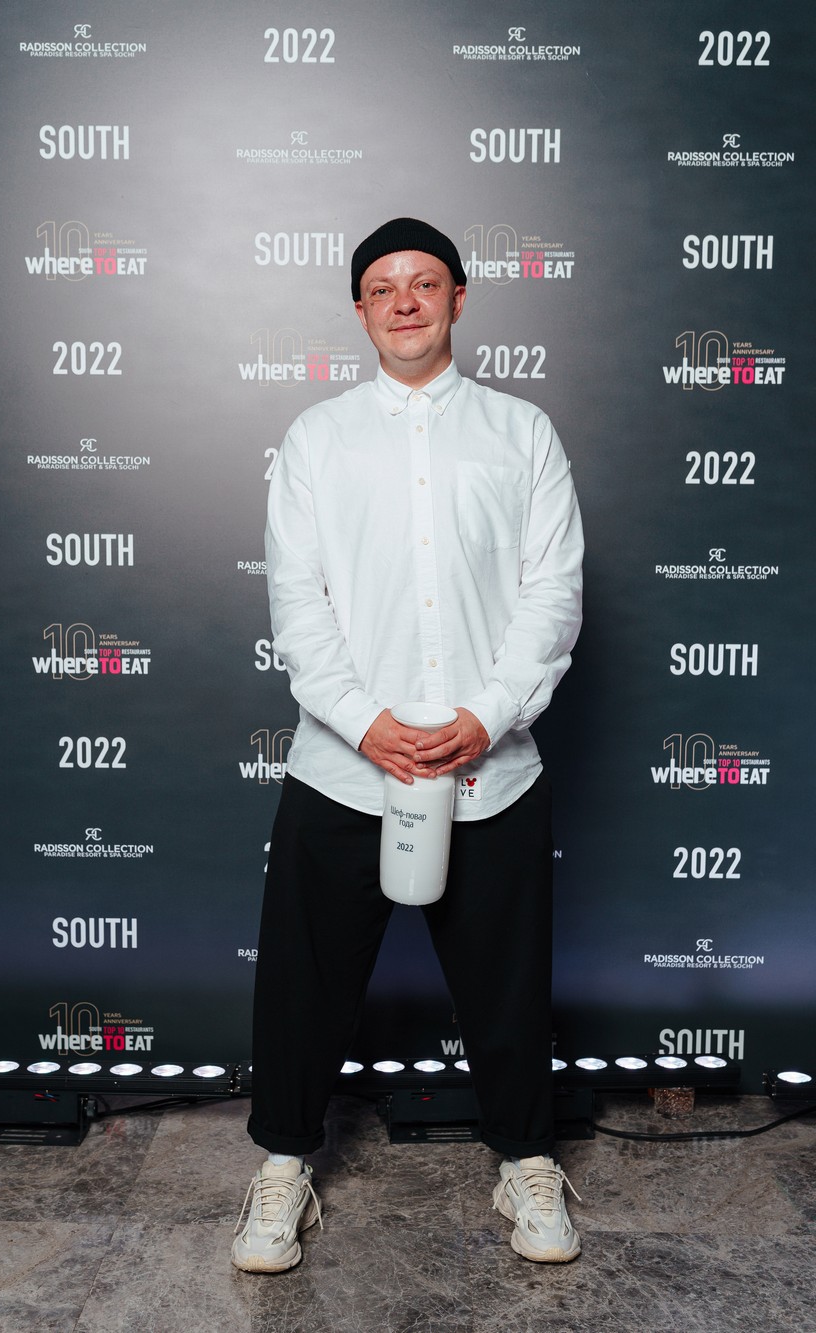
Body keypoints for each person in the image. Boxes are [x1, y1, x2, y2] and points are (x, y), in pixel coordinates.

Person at [232, 218, 584, 1272]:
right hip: (345, 765)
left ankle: (527, 1160)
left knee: (510, 988)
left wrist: (488, 714)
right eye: (383, 288)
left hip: (492, 767)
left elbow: (552, 594)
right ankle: (283, 1165)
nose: (404, 302)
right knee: (302, 986)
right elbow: (299, 604)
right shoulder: (317, 438)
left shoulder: (523, 432)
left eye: (424, 283)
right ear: (360, 310)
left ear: (459, 298)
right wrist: (364, 720)